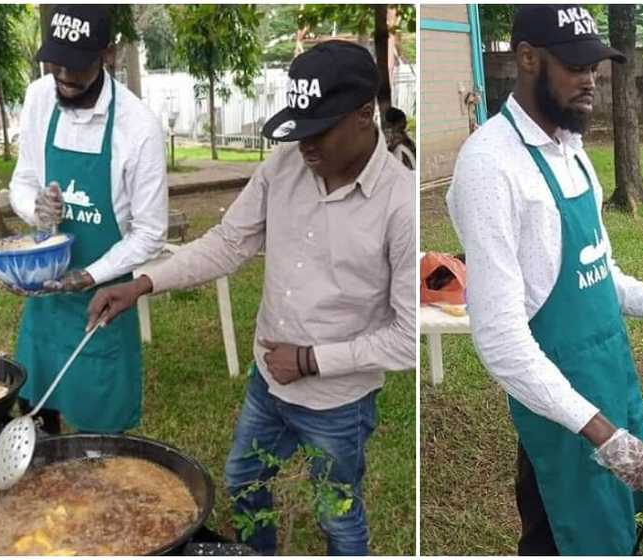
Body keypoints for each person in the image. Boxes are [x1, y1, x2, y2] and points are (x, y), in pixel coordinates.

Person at [86, 40, 415, 555]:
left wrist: (308, 361)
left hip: (336, 403)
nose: (303, 145)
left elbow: (407, 337)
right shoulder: (285, 166)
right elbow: (227, 243)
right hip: (268, 382)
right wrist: (142, 283)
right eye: (297, 128)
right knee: (243, 482)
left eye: (318, 130)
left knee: (338, 515)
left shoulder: (400, 203)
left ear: (362, 115)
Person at [446, 5, 643, 555]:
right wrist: (601, 435)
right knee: (562, 536)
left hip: (609, 386)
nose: (591, 79)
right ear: (529, 59)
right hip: (563, 418)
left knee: (613, 536)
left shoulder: (571, 150)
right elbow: (500, 340)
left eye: (596, 66)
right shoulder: (490, 165)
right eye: (576, 65)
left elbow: (600, 276)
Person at [6, 5, 167, 435]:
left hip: (103, 297)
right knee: (37, 414)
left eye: (74, 65)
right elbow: (21, 181)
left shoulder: (138, 128)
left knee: (101, 428)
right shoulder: (39, 97)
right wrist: (33, 206)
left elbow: (151, 233)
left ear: (107, 54)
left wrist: (88, 275)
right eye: (55, 62)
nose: (62, 74)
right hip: (45, 294)